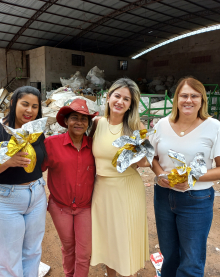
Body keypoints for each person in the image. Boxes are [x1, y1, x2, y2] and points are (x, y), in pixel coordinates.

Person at [150, 77, 220, 277]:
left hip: (196, 200)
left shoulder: (213, 127)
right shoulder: (162, 125)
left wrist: (192, 177)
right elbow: (152, 157)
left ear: (202, 100)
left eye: (194, 96)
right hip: (163, 196)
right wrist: (160, 174)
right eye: (184, 95)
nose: (188, 100)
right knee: (169, 254)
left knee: (191, 259)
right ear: (176, 99)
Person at [0, 86, 47, 277]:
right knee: (8, 259)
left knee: (32, 252)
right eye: (25, 104)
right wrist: (7, 162)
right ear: (13, 103)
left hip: (37, 196)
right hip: (8, 200)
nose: (29, 110)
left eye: (35, 106)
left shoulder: (36, 132)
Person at [89, 78, 150, 277]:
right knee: (107, 238)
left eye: (126, 99)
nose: (120, 102)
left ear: (131, 104)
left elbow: (147, 162)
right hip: (101, 189)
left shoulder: (135, 126)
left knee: (123, 237)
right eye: (117, 96)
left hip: (127, 189)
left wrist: (135, 153)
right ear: (108, 97)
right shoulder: (97, 123)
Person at [42, 98, 98, 277]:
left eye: (84, 119)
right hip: (59, 207)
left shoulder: (93, 146)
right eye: (74, 117)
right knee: (68, 247)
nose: (79, 122)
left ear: (88, 123)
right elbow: (35, 171)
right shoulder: (51, 143)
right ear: (66, 121)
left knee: (84, 252)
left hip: (85, 207)